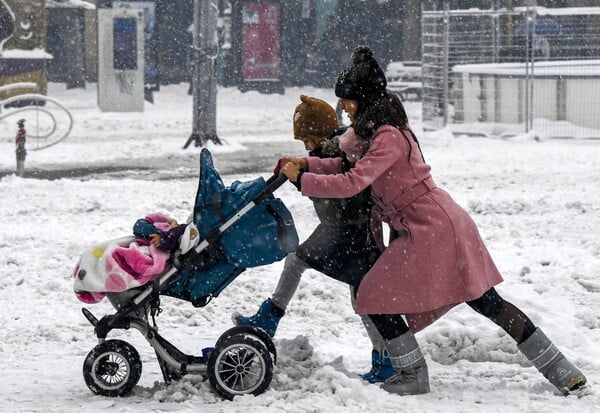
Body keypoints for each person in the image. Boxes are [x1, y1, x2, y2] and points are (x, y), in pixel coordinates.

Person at [278, 45, 587, 396]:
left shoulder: (388, 137)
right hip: (433, 223)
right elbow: (348, 167)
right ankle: (562, 370)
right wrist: (307, 165)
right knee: (487, 303)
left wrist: (301, 180)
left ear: (364, 99)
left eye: (347, 100)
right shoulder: (377, 133)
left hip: (431, 228)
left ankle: (414, 374)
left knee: (381, 294)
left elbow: (352, 182)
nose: (343, 107)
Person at [233, 94, 393, 383]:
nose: (305, 145)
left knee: (363, 298)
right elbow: (314, 164)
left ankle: (386, 359)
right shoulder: (328, 148)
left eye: (307, 137)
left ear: (319, 132)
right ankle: (270, 317)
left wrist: (299, 178)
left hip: (353, 234)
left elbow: (337, 188)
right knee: (307, 266)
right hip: (338, 230)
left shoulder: (341, 150)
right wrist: (296, 167)